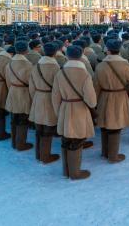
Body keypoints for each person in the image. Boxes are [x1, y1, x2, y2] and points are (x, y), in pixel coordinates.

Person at [52, 45, 97, 180]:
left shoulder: (60, 73)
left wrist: (58, 111)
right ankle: (75, 172)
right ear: (81, 55)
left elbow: (55, 96)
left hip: (65, 107)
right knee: (77, 140)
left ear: (67, 56)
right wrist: (92, 105)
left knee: (66, 139)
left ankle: (66, 170)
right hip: (79, 109)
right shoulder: (84, 74)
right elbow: (91, 100)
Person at [94, 39, 129, 162]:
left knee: (104, 125)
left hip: (104, 97)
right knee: (116, 126)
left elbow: (95, 86)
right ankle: (113, 156)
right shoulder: (125, 64)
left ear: (107, 50)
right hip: (120, 96)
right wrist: (127, 89)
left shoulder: (101, 66)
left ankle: (105, 152)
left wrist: (95, 102)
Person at [29, 42, 61, 163]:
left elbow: (31, 86)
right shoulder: (55, 67)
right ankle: (45, 156)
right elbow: (58, 88)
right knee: (47, 130)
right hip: (50, 98)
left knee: (39, 128)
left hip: (38, 96)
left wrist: (35, 97)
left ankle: (39, 154)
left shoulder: (36, 66)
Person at [5, 41, 34, 151]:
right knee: (22, 119)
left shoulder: (9, 63)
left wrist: (11, 89)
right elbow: (31, 82)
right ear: (26, 50)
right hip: (23, 92)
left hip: (13, 90)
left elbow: (8, 80)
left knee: (14, 118)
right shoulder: (27, 64)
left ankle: (14, 141)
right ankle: (21, 144)